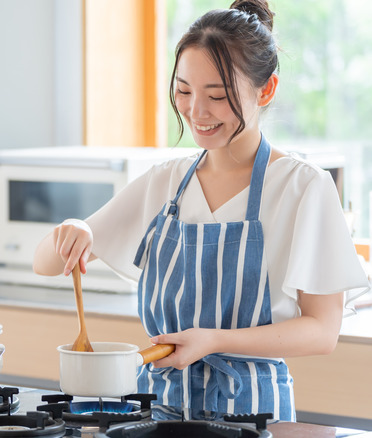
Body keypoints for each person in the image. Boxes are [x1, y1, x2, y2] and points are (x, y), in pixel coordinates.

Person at [32, 0, 370, 422]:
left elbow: (322, 331)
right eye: (184, 91)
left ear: (266, 90)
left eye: (217, 96)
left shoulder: (303, 187)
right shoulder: (166, 181)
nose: (196, 112)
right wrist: (74, 227)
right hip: (157, 410)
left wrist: (213, 340)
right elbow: (45, 262)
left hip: (254, 417)